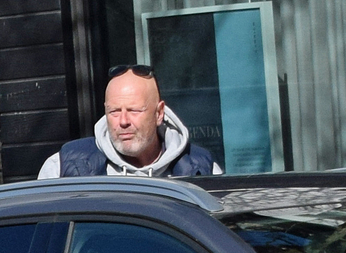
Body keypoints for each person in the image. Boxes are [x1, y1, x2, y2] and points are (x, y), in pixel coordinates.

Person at [38, 65, 220, 178]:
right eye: (114, 111)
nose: (123, 121)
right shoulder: (64, 167)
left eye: (134, 110)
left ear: (159, 113)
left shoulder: (201, 168)